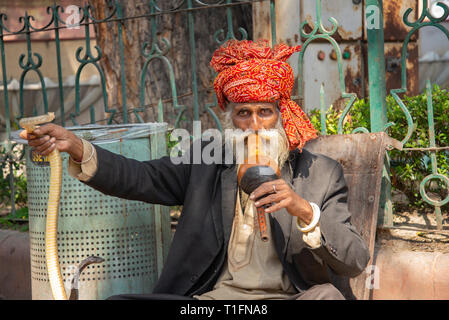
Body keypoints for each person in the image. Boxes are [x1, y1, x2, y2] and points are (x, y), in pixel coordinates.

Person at [21, 40, 370, 300]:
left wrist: (303, 210)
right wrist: (77, 146)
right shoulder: (206, 159)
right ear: (229, 119)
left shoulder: (319, 173)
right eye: (243, 113)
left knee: (327, 297)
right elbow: (141, 178)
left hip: (287, 298)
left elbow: (354, 260)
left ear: (282, 116)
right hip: (210, 303)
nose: (254, 125)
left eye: (264, 112)